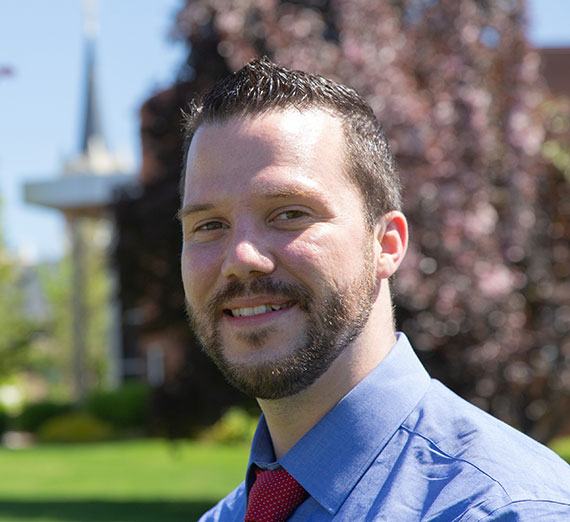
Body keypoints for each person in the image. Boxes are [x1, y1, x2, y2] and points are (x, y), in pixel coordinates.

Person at [178, 57, 570, 521]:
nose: (241, 257)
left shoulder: (505, 509)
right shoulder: (226, 517)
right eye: (209, 225)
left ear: (386, 244)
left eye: (289, 214)